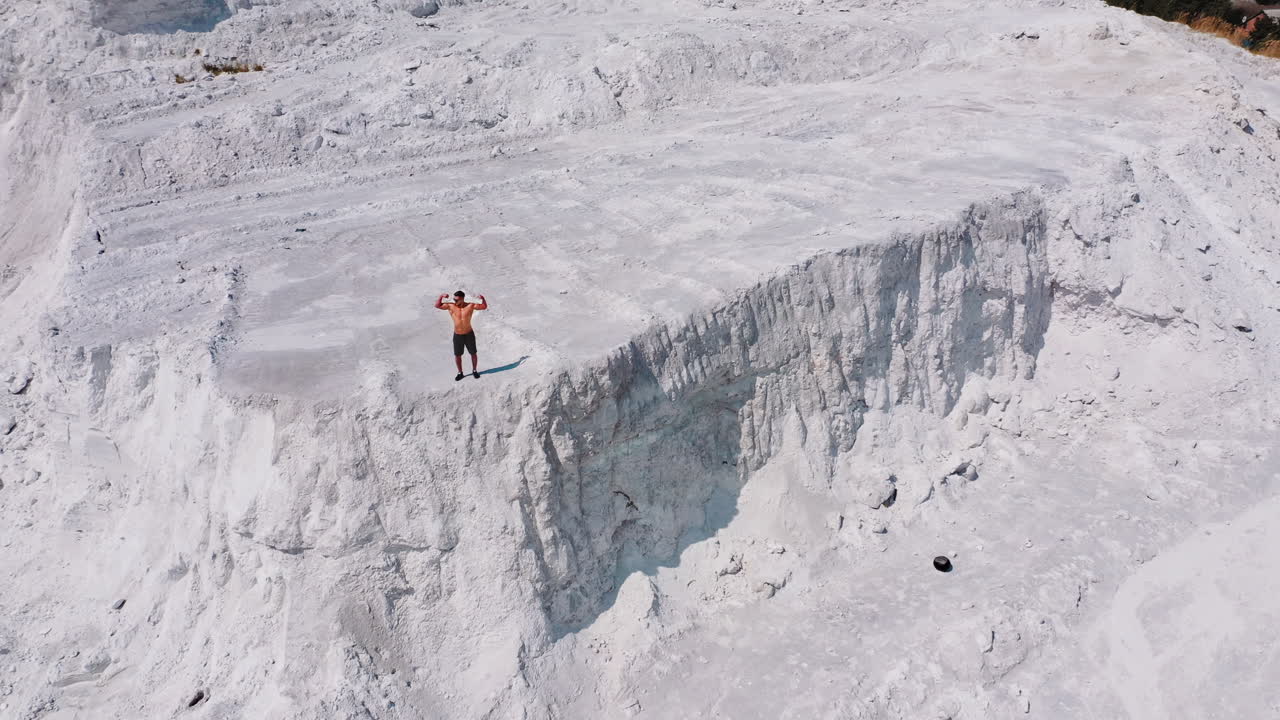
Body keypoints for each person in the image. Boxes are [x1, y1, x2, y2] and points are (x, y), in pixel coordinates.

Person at [436, 290, 488, 380]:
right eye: (454, 299)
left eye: (457, 300)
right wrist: (441, 296)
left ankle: (474, 370)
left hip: (469, 334)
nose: (455, 301)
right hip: (457, 335)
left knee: (473, 353)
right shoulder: (450, 305)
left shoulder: (470, 305)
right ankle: (460, 372)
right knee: (458, 355)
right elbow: (437, 305)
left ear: (462, 299)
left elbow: (484, 307)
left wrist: (482, 298)